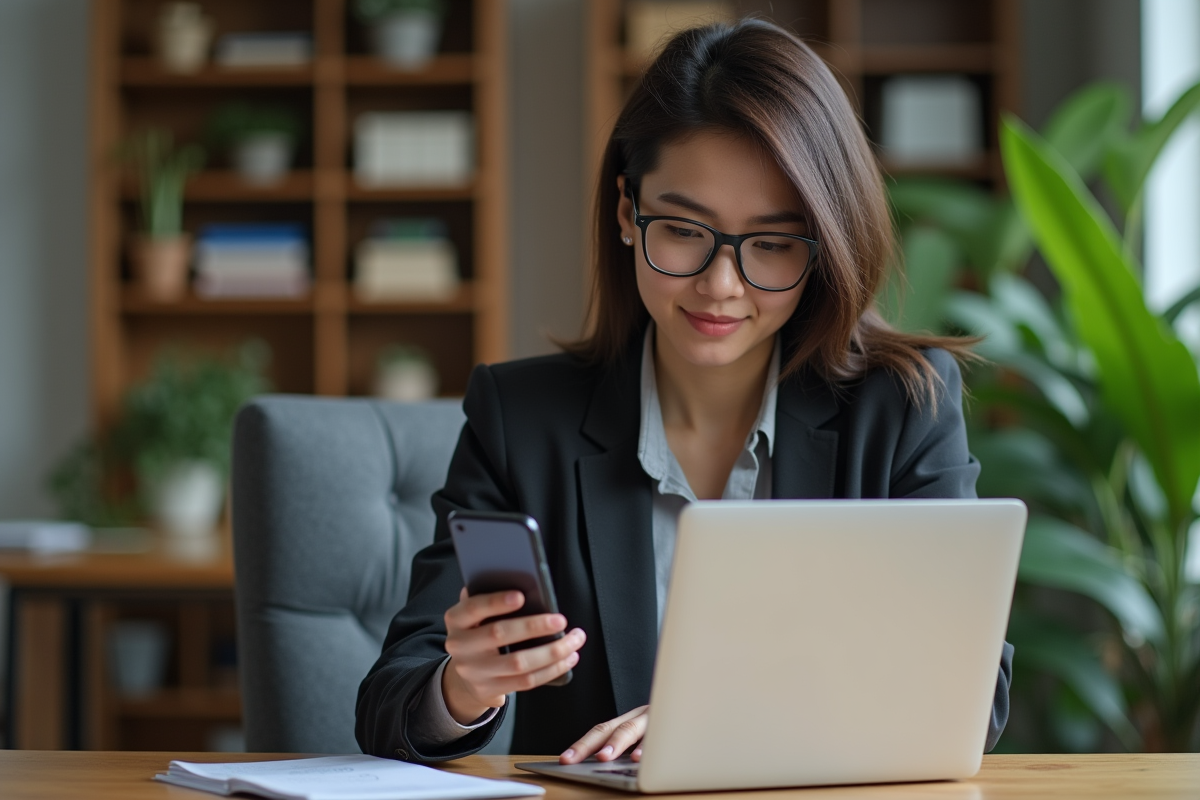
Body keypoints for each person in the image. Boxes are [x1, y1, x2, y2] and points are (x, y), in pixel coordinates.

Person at [356, 18, 1013, 764]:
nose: (721, 285)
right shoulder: (522, 419)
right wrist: (461, 688)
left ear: (824, 245)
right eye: (683, 229)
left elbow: (970, 693)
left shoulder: (902, 410)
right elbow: (389, 705)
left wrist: (720, 722)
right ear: (626, 214)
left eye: (771, 243)